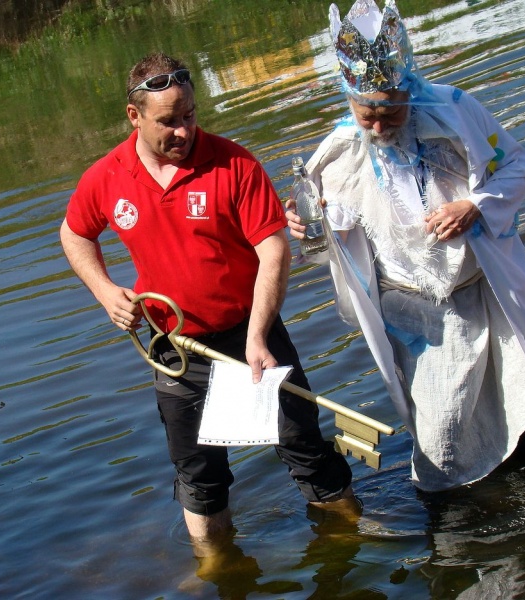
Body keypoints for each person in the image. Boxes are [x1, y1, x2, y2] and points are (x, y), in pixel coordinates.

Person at [287, 0, 525, 493]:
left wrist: (474, 205)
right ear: (348, 100)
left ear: (407, 88)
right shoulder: (339, 153)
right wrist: (310, 233)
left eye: (390, 111)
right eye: (366, 114)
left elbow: (517, 166)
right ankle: (455, 517)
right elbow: (334, 244)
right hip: (418, 313)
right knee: (442, 433)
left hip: (486, 292)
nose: (378, 126)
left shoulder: (455, 111)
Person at [60, 52, 357, 542]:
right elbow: (74, 234)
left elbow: (274, 250)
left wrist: (259, 335)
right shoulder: (107, 176)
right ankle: (217, 566)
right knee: (198, 473)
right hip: (174, 348)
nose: (183, 131)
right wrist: (105, 291)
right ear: (134, 117)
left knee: (304, 446)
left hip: (250, 336)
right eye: (168, 122)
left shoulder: (234, 163)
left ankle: (351, 537)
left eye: (190, 115)